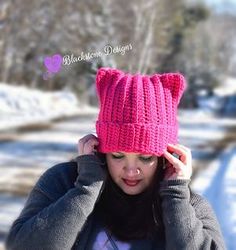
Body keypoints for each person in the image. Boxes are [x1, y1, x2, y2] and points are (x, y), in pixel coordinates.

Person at [6, 67, 226, 250]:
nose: (130, 170)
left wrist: (176, 196)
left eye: (145, 157)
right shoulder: (62, 183)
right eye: (118, 155)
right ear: (101, 149)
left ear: (166, 156)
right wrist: (86, 188)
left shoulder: (189, 207)